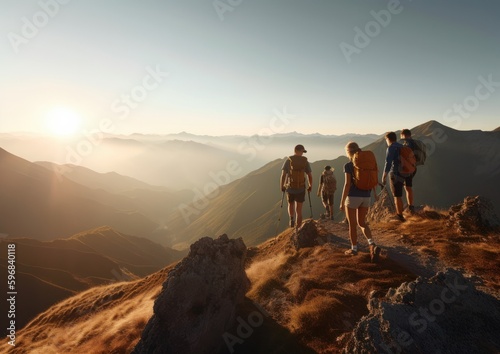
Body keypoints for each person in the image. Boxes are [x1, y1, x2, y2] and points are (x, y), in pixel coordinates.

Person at [340, 142, 380, 262]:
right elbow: (372, 179)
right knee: (362, 222)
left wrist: (342, 201)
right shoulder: (369, 163)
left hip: (353, 197)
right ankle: (372, 244)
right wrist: (374, 193)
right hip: (366, 196)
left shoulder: (348, 165)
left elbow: (347, 184)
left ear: (348, 152)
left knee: (352, 224)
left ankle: (354, 248)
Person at [280, 144, 313, 229]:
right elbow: (310, 175)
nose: (303, 153)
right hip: (301, 188)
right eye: (302, 151)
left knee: (290, 204)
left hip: (290, 187)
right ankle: (298, 227)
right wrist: (310, 185)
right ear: (299, 151)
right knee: (299, 210)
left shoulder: (289, 160)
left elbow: (283, 175)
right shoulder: (305, 161)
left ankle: (291, 218)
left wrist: (282, 186)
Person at [381, 131, 408, 222]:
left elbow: (388, 163)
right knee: (400, 194)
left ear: (388, 139)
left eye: (386, 140)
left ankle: (400, 215)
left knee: (396, 195)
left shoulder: (391, 148)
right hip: (405, 172)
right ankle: (401, 212)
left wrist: (384, 175)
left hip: (395, 173)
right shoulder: (402, 146)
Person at [399, 129, 417, 213]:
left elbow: (405, 155)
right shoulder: (414, 142)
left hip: (406, 169)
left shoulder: (407, 143)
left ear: (403, 135)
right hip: (412, 168)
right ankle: (411, 206)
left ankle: (405, 208)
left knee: (404, 188)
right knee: (408, 187)